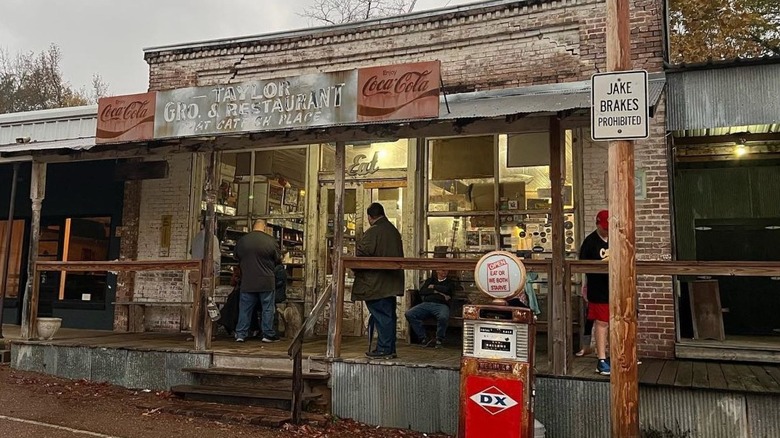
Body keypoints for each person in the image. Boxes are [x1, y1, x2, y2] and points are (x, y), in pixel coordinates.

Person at [352, 203, 404, 359]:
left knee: (382, 316)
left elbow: (362, 254)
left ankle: (383, 348)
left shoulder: (373, 232)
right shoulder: (393, 231)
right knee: (388, 315)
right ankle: (389, 348)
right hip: (390, 281)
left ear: (370, 217)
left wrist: (354, 267)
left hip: (375, 282)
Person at [234, 219, 282, 343]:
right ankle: (267, 334)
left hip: (248, 280)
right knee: (267, 309)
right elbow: (278, 259)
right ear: (264, 227)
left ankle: (241, 334)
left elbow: (236, 257)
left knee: (245, 309)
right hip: (266, 280)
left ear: (253, 226)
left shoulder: (242, 241)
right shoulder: (270, 241)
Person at [579, 210, 610, 375]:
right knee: (601, 322)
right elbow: (580, 266)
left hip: (615, 287)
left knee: (617, 322)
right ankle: (601, 359)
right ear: (598, 224)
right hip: (598, 289)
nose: (607, 231)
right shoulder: (590, 242)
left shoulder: (616, 238)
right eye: (605, 227)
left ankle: (615, 355)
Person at [405, 269, 455, 348]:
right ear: (437, 271)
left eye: (446, 270)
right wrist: (438, 292)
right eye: (442, 270)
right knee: (410, 314)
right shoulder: (430, 280)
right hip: (427, 304)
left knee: (443, 317)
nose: (444, 272)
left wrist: (434, 287)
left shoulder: (450, 282)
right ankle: (423, 337)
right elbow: (422, 291)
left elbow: (448, 290)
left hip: (441, 305)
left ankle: (439, 339)